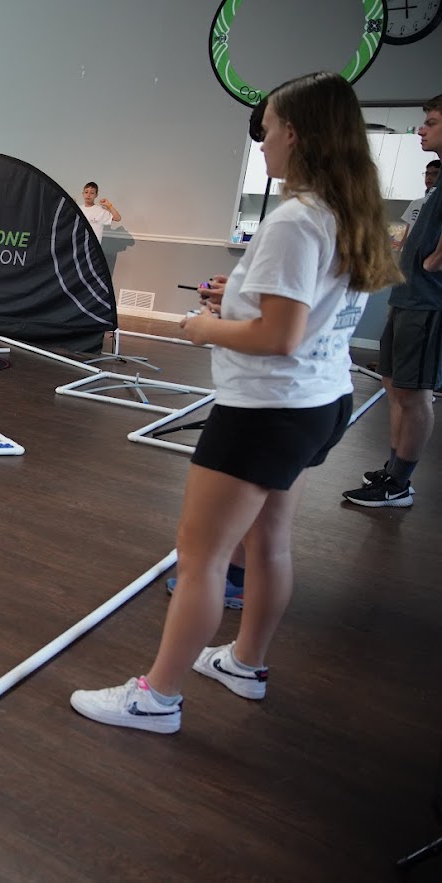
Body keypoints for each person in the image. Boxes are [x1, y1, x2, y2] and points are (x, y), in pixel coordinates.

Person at [70, 72, 403, 734]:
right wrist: (239, 297)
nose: (263, 141)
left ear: (295, 134)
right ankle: (245, 663)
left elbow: (279, 336)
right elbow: (303, 311)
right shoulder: (344, 212)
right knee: (269, 543)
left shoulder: (296, 219)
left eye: (268, 128)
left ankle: (157, 698)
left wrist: (202, 327)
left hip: (266, 411)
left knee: (202, 558)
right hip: (319, 403)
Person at [342, 96, 442, 508]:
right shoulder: (437, 186)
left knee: (414, 394)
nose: (422, 129)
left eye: (431, 122)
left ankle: (398, 484)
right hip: (407, 298)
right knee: (393, 385)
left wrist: (432, 263)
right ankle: (394, 469)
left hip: (427, 302)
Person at [400, 159, 439, 241]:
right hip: (411, 247)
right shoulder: (415, 203)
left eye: (435, 174)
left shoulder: (438, 204)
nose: (429, 177)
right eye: (427, 174)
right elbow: (407, 233)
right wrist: (401, 248)